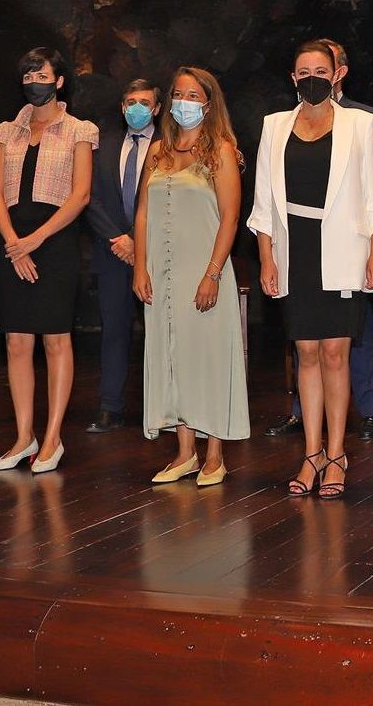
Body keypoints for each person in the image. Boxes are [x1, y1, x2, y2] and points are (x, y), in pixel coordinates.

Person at [250, 40, 373, 500]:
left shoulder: (359, 123)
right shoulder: (274, 126)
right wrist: (267, 257)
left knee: (335, 353)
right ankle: (310, 454)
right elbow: (264, 202)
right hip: (294, 252)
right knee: (305, 355)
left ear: (336, 75)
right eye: (302, 70)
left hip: (343, 251)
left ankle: (336, 454)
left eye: (320, 69)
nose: (311, 76)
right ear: (293, 79)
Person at [135, 67, 250, 486]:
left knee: (208, 358)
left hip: (203, 270)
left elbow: (230, 217)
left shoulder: (220, 149)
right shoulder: (159, 150)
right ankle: (184, 452)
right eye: (178, 94)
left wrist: (213, 274)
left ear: (208, 102)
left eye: (192, 94)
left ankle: (215, 454)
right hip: (161, 273)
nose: (184, 101)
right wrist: (140, 267)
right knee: (171, 356)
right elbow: (143, 212)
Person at [0, 47, 97, 473]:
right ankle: (22, 437)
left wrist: (36, 239)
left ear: (60, 81)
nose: (35, 81)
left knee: (55, 339)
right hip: (12, 244)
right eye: (29, 75)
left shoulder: (79, 130)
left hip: (54, 242)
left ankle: (52, 439)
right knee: (16, 340)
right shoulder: (6, 131)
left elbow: (80, 194)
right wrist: (14, 242)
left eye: (43, 74)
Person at [83, 80, 160, 434]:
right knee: (114, 330)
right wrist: (120, 238)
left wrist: (142, 244)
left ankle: (163, 409)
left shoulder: (171, 145)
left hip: (159, 255)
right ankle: (110, 407)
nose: (137, 108)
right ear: (122, 107)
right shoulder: (104, 144)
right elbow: (89, 197)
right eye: (131, 101)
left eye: (144, 102)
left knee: (161, 335)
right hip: (114, 252)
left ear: (157, 108)